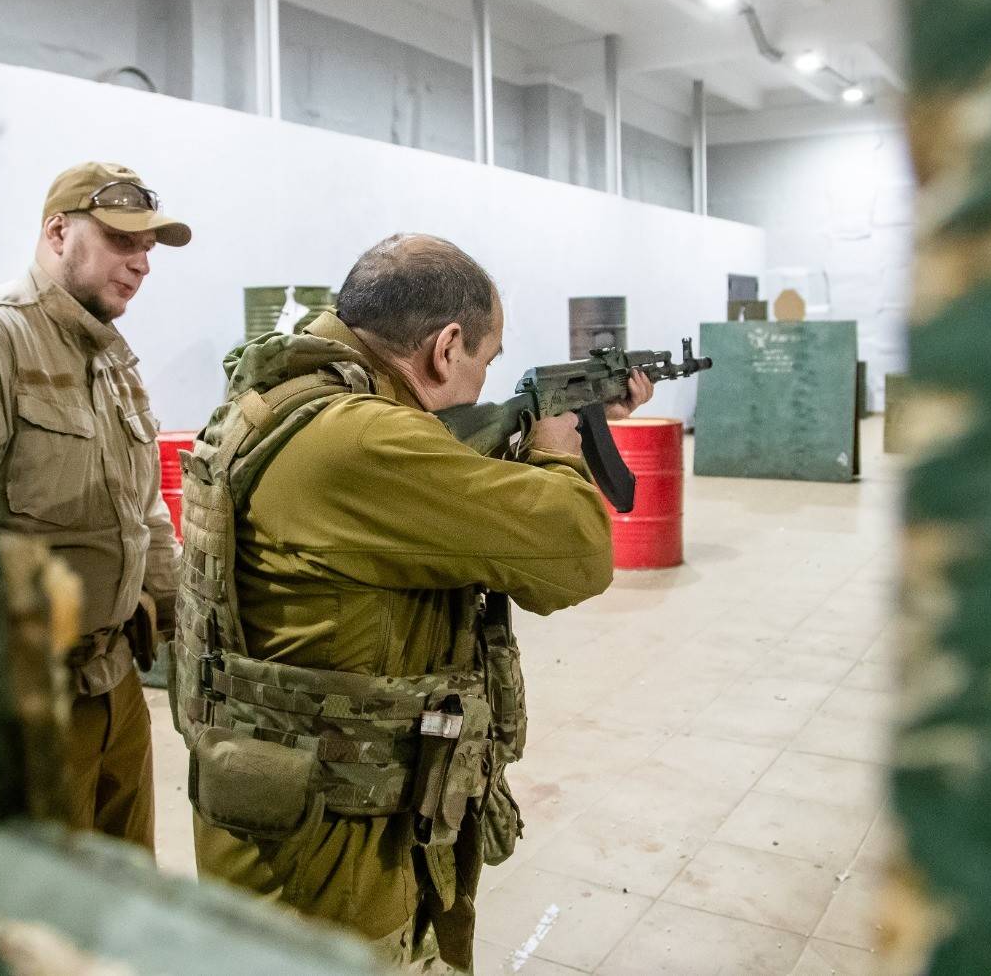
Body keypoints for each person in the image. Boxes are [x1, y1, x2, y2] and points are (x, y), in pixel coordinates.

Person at [172, 234, 652, 970]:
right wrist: (557, 447)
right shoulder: (358, 439)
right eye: (484, 362)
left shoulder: (288, 397)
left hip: (297, 812)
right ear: (445, 347)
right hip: (334, 854)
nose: (481, 385)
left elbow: (433, 473)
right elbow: (577, 556)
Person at [0, 161, 191, 851]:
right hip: (30, 702)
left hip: (117, 682)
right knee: (43, 902)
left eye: (147, 249)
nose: (141, 264)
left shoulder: (112, 359)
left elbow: (146, 510)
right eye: (122, 241)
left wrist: (179, 619)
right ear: (57, 232)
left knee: (126, 887)